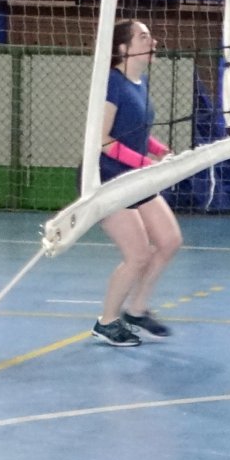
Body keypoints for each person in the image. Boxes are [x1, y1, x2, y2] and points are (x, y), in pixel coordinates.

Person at [89, 19, 184, 347]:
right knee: (138, 255)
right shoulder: (111, 84)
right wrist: (145, 163)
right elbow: (102, 140)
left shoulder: (140, 82)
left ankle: (137, 309)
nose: (153, 41)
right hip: (108, 179)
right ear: (123, 48)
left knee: (169, 240)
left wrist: (159, 150)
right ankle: (107, 321)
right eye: (144, 37)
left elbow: (136, 133)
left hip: (135, 176)